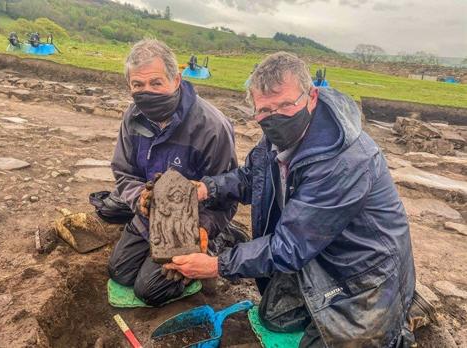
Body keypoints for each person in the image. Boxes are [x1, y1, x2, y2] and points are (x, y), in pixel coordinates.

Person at [164, 52, 416, 347]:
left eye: (286, 105)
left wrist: (217, 265)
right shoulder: (277, 137)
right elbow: (251, 178)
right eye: (265, 110)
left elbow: (289, 246)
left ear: (311, 97)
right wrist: (205, 189)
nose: (276, 116)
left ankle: (396, 319)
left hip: (363, 270)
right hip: (317, 255)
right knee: (273, 316)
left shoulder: (344, 161)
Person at [108, 39, 239, 306]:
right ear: (129, 86)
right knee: (120, 272)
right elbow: (124, 172)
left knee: (149, 290)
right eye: (138, 85)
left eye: (156, 83)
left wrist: (204, 227)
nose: (147, 92)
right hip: (150, 217)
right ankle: (158, 246)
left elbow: (227, 192)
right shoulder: (133, 118)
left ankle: (220, 239)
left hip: (192, 222)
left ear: (176, 80)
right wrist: (140, 200)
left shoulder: (212, 127)